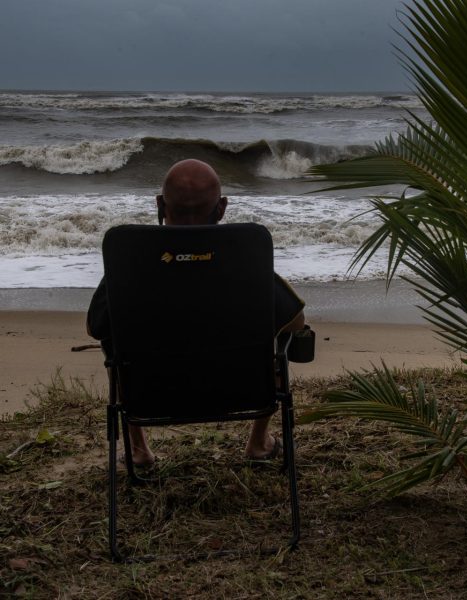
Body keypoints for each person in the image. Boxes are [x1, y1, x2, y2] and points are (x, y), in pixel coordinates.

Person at [87, 159, 305, 466]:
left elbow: (96, 327)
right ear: (222, 208)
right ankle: (258, 442)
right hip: (242, 392)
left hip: (150, 395)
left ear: (161, 205)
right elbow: (296, 321)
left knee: (114, 344)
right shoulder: (245, 259)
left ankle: (139, 450)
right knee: (279, 341)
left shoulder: (130, 263)